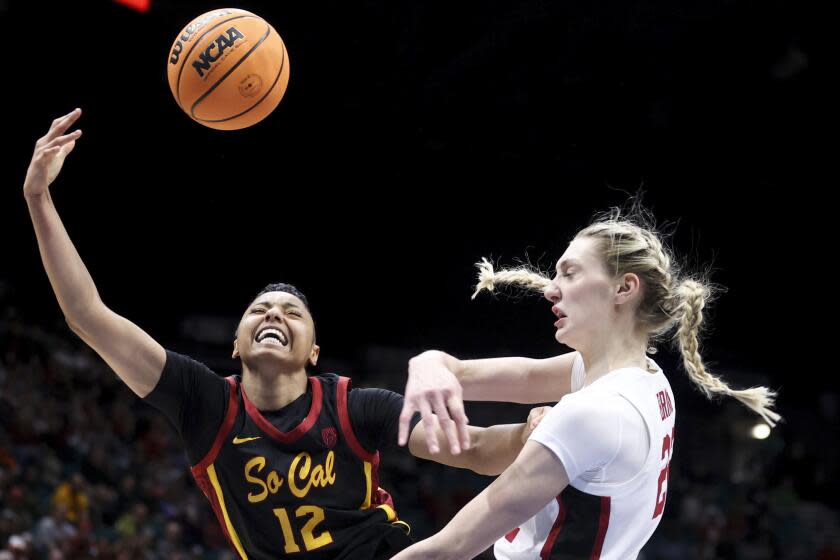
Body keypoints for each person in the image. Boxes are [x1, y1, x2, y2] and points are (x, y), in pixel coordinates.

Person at [22, 109, 543, 559]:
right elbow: (86, 315)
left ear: (314, 352)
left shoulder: (358, 408)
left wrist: (528, 435)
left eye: (292, 313)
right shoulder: (202, 402)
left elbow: (471, 447)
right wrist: (39, 198)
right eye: (260, 309)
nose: (273, 315)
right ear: (235, 344)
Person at [395, 203, 781, 559]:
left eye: (570, 272)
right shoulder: (644, 379)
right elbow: (499, 377)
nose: (550, 288)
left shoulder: (596, 412)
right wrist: (430, 364)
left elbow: (451, 548)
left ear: (624, 288)